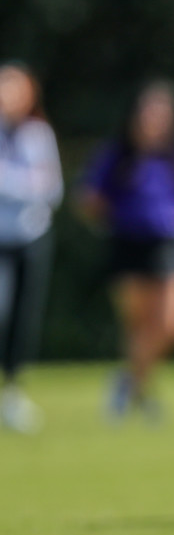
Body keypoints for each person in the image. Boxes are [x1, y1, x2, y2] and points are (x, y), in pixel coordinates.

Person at [77, 80, 174, 420]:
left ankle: (127, 381)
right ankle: (142, 395)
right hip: (129, 244)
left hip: (172, 244)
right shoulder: (117, 154)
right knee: (141, 325)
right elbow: (88, 198)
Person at [0, 63, 62, 433]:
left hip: (31, 238)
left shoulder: (39, 135)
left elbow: (51, 190)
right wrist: (27, 183)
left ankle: (12, 390)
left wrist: (9, 182)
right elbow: (34, 184)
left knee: (24, 318)